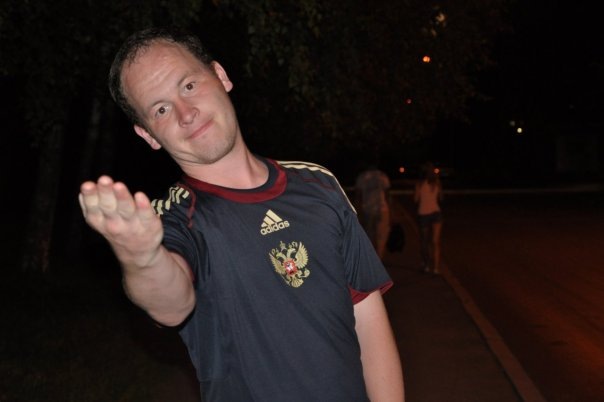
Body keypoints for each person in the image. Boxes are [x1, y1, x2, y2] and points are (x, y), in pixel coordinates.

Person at [78, 27, 404, 402]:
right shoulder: (174, 219)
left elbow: (369, 320)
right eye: (161, 109)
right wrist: (142, 257)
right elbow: (171, 304)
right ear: (148, 135)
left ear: (220, 76)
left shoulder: (319, 185)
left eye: (188, 86)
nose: (186, 113)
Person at [354, 165, 391, 259]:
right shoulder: (382, 176)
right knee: (379, 238)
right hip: (378, 210)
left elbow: (358, 197)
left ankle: (374, 261)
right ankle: (377, 260)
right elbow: (388, 196)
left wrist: (358, 213)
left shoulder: (363, 177)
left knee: (371, 237)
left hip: (370, 210)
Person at [413, 161, 443, 274]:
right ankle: (436, 268)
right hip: (436, 213)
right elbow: (441, 198)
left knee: (424, 241)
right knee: (435, 241)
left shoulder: (419, 184)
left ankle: (426, 265)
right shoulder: (437, 183)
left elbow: (416, 199)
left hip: (423, 213)